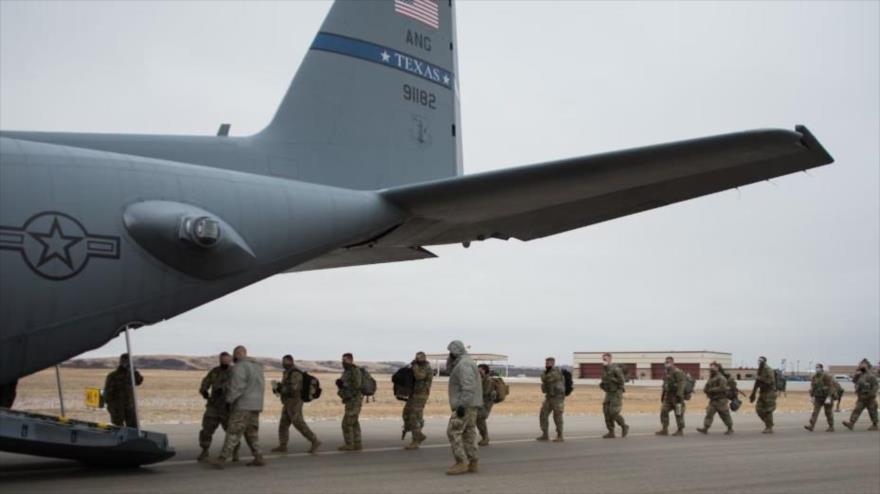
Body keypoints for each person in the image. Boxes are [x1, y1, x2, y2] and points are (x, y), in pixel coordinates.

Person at [208, 345, 265, 468]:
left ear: (237, 354)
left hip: (243, 405)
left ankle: (222, 459)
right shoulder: (258, 367)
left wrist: (229, 401)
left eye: (234, 355)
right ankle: (258, 456)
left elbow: (236, 387)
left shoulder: (239, 367)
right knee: (251, 432)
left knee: (233, 431)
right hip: (255, 405)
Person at [445, 340, 482, 475]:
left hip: (465, 405)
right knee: (469, 434)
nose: (449, 354)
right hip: (471, 405)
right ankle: (473, 462)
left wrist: (462, 405)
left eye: (451, 352)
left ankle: (461, 462)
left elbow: (468, 387)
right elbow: (449, 370)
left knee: (453, 431)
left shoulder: (464, 364)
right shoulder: (464, 362)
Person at [271, 355, 320, 454]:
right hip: (288, 401)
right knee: (283, 424)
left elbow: (294, 389)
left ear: (290, 361)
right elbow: (288, 386)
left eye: (284, 361)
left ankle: (315, 441)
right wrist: (278, 388)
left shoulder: (295, 373)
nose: (283, 363)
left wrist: (282, 389)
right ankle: (283, 445)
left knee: (298, 423)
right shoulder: (287, 372)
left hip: (294, 402)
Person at [197, 352, 240, 461]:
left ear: (230, 361)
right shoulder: (215, 371)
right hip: (213, 406)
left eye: (226, 360)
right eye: (222, 360)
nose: (224, 362)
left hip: (228, 407)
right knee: (206, 429)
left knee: (231, 431)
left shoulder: (235, 372)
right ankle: (204, 450)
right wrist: (204, 391)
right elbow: (206, 382)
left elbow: (239, 387)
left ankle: (235, 452)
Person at [103, 353, 143, 427]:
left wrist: (134, 371)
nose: (127, 363)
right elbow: (107, 393)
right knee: (118, 428)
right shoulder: (113, 376)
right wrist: (110, 406)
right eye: (126, 361)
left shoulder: (131, 374)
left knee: (133, 428)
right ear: (121, 362)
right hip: (117, 407)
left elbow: (139, 381)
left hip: (129, 406)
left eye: (129, 362)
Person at [403, 351, 433, 450]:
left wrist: (415, 366)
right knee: (406, 413)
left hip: (421, 395)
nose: (417, 360)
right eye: (416, 358)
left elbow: (419, 376)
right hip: (414, 394)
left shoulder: (426, 367)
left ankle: (416, 439)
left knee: (414, 416)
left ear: (424, 358)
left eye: (419, 358)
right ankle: (417, 434)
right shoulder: (417, 366)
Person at [697, 361, 733, 435]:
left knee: (725, 415)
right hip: (713, 400)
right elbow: (707, 386)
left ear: (717, 368)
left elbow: (722, 387)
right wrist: (706, 390)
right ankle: (705, 428)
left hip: (721, 400)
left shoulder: (721, 377)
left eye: (713, 368)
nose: (711, 369)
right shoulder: (712, 377)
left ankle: (730, 428)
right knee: (709, 414)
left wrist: (711, 390)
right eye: (710, 368)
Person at [336, 353, 363, 451]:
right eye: (342, 360)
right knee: (354, 422)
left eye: (345, 360)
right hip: (349, 400)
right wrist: (341, 385)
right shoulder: (347, 371)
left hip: (354, 400)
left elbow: (357, 385)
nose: (343, 362)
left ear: (350, 360)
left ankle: (349, 444)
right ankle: (357, 443)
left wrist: (344, 384)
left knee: (346, 423)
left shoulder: (355, 371)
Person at [843, 358, 878, 431]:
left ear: (867, 365)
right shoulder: (860, 374)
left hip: (869, 398)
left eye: (862, 364)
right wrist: (856, 374)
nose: (860, 365)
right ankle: (851, 423)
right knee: (857, 410)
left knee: (872, 411)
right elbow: (854, 381)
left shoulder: (871, 375)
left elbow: (875, 386)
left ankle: (875, 425)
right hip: (861, 397)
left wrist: (871, 395)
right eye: (860, 364)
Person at [599, 353, 629, 439]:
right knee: (606, 412)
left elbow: (622, 381)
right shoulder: (605, 369)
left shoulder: (616, 369)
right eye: (603, 359)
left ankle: (624, 426)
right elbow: (604, 380)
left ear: (610, 359)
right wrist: (602, 385)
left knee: (613, 412)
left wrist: (612, 378)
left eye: (605, 359)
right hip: (608, 393)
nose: (604, 361)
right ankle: (611, 432)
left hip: (616, 393)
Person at [656, 356, 687, 437]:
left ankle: (680, 430)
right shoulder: (667, 372)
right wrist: (663, 395)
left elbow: (682, 383)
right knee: (663, 411)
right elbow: (665, 384)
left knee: (678, 413)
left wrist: (679, 395)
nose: (666, 364)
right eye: (666, 362)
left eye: (668, 362)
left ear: (673, 362)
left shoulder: (677, 371)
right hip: (668, 397)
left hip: (676, 397)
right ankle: (664, 429)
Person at [537, 357, 565, 442]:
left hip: (557, 398)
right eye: (546, 363)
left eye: (548, 363)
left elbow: (545, 378)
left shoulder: (556, 372)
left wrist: (544, 375)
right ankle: (545, 434)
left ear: (552, 363)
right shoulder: (547, 372)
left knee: (557, 416)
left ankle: (560, 435)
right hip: (549, 397)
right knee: (543, 414)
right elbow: (543, 378)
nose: (546, 364)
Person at [750, 356, 777, 433]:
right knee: (758, 409)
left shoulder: (768, 369)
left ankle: (769, 427)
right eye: (758, 360)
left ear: (765, 361)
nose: (759, 362)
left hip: (770, 393)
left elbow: (771, 381)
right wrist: (753, 393)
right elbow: (757, 383)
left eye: (761, 361)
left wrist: (760, 378)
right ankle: (769, 424)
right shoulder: (760, 370)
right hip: (763, 392)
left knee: (768, 410)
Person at [805, 363, 835, 432]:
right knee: (815, 412)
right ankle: (811, 426)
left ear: (821, 368)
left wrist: (829, 397)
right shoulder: (814, 377)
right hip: (818, 397)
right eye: (816, 367)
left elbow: (831, 386)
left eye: (818, 367)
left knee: (828, 412)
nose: (817, 369)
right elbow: (813, 387)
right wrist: (812, 396)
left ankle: (831, 426)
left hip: (826, 396)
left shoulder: (826, 376)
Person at [476, 364, 497, 446]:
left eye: (480, 369)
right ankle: (484, 437)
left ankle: (485, 438)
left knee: (480, 419)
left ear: (484, 370)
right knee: (479, 420)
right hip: (481, 403)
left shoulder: (488, 380)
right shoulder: (482, 379)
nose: (478, 371)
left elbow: (485, 392)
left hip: (486, 403)